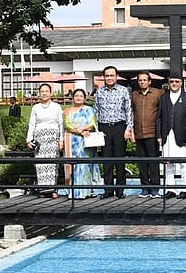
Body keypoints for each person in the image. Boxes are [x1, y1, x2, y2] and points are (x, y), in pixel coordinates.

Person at [95, 65, 133, 199]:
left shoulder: (123, 90)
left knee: (119, 159)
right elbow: (96, 111)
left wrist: (129, 128)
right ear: (104, 77)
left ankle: (120, 189)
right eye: (107, 76)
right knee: (107, 160)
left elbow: (129, 110)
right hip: (104, 128)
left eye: (112, 75)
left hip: (119, 127)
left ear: (116, 77)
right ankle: (108, 189)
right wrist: (97, 130)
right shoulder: (99, 92)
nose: (109, 78)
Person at [156, 72, 186, 200]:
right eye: (172, 82)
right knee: (168, 163)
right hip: (167, 135)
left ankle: (184, 189)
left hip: (182, 135)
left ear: (181, 83)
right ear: (169, 83)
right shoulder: (164, 97)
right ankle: (170, 189)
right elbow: (159, 118)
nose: (174, 84)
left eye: (177, 82)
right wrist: (159, 135)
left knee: (183, 163)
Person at [26, 83, 64, 198]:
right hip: (40, 140)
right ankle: (43, 190)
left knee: (52, 165)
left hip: (53, 139)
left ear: (51, 93)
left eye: (46, 91)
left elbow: (61, 124)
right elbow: (32, 124)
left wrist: (61, 140)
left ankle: (52, 190)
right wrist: (29, 139)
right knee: (41, 165)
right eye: (42, 91)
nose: (44, 93)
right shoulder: (35, 107)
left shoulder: (57, 107)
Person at [63, 88, 102, 199]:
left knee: (86, 166)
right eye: (76, 96)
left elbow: (93, 124)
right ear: (73, 98)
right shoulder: (67, 111)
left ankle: (88, 191)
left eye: (81, 96)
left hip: (86, 141)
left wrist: (84, 129)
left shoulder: (90, 110)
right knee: (74, 165)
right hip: (72, 141)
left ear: (85, 98)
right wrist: (78, 131)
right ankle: (75, 192)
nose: (78, 98)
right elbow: (66, 124)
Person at [131, 71, 163, 198]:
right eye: (140, 80)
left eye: (145, 80)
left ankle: (154, 188)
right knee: (142, 162)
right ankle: (144, 187)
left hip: (152, 132)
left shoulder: (157, 93)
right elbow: (131, 113)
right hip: (139, 132)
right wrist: (132, 131)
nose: (142, 82)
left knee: (153, 161)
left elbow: (161, 113)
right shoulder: (134, 95)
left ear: (149, 81)